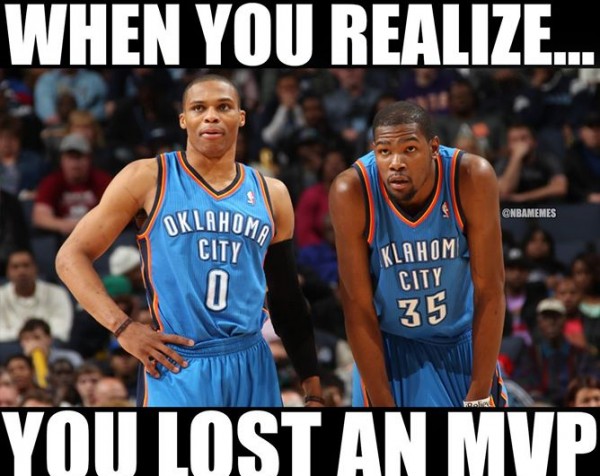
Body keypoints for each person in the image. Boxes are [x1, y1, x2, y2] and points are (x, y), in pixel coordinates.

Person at [55, 74, 322, 407]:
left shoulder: (272, 193)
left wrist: (313, 389)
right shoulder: (148, 177)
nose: (211, 116)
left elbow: (287, 300)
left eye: (223, 107)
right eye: (199, 108)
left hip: (251, 362)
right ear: (183, 119)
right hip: (178, 364)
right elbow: (70, 257)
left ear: (241, 117)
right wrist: (123, 328)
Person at [329, 100, 507, 407]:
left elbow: (490, 290)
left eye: (409, 149)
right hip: (390, 351)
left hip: (462, 345)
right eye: (384, 151)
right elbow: (357, 307)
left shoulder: (471, 177)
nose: (395, 163)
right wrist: (382, 401)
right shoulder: (352, 190)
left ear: (433, 147)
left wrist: (479, 393)